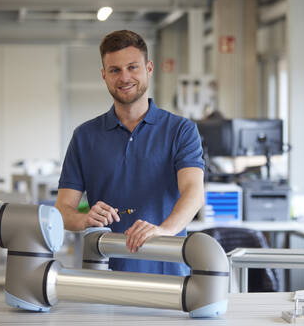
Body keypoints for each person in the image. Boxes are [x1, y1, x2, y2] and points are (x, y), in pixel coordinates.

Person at [55, 30, 205, 276]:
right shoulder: (84, 136)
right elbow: (63, 209)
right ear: (104, 76)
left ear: (148, 68)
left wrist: (163, 230)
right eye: (115, 70)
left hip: (168, 273)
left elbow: (194, 192)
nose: (124, 77)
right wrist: (85, 219)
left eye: (132, 67)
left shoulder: (181, 130)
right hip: (105, 272)